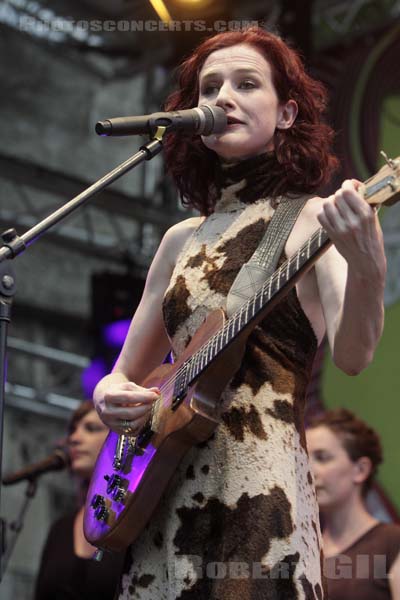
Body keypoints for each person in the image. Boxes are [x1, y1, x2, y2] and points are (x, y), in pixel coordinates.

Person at [93, 27, 387, 599]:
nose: (222, 96)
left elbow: (354, 358)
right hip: (160, 485)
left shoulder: (316, 220)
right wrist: (109, 394)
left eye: (246, 84)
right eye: (210, 86)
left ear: (285, 113)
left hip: (261, 487)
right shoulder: (180, 239)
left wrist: (369, 264)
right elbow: (123, 372)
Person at [34, 401, 125, 600]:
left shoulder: (134, 522)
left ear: (120, 439)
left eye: (91, 429)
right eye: (73, 430)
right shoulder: (60, 528)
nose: (74, 438)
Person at [306, 408, 400, 599]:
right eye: (303, 459)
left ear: (360, 469)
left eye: (322, 458)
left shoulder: (393, 543)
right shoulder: (303, 554)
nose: (308, 470)